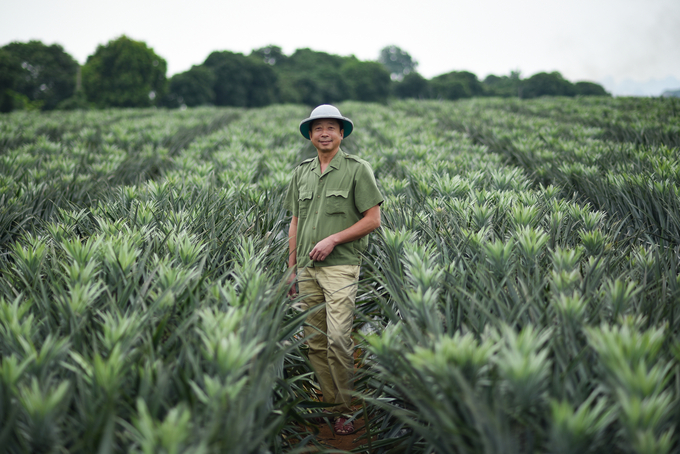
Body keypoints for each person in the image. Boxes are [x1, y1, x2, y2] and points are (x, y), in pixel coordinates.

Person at [284, 104, 384, 435]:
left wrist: (333, 239)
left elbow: (373, 220)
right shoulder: (301, 172)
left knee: (339, 339)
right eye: (317, 128)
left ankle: (349, 408)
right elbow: (295, 222)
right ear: (310, 136)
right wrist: (291, 267)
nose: (324, 133)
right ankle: (330, 404)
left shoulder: (357, 169)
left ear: (341, 134)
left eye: (331, 127)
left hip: (341, 266)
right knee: (314, 340)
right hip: (307, 268)